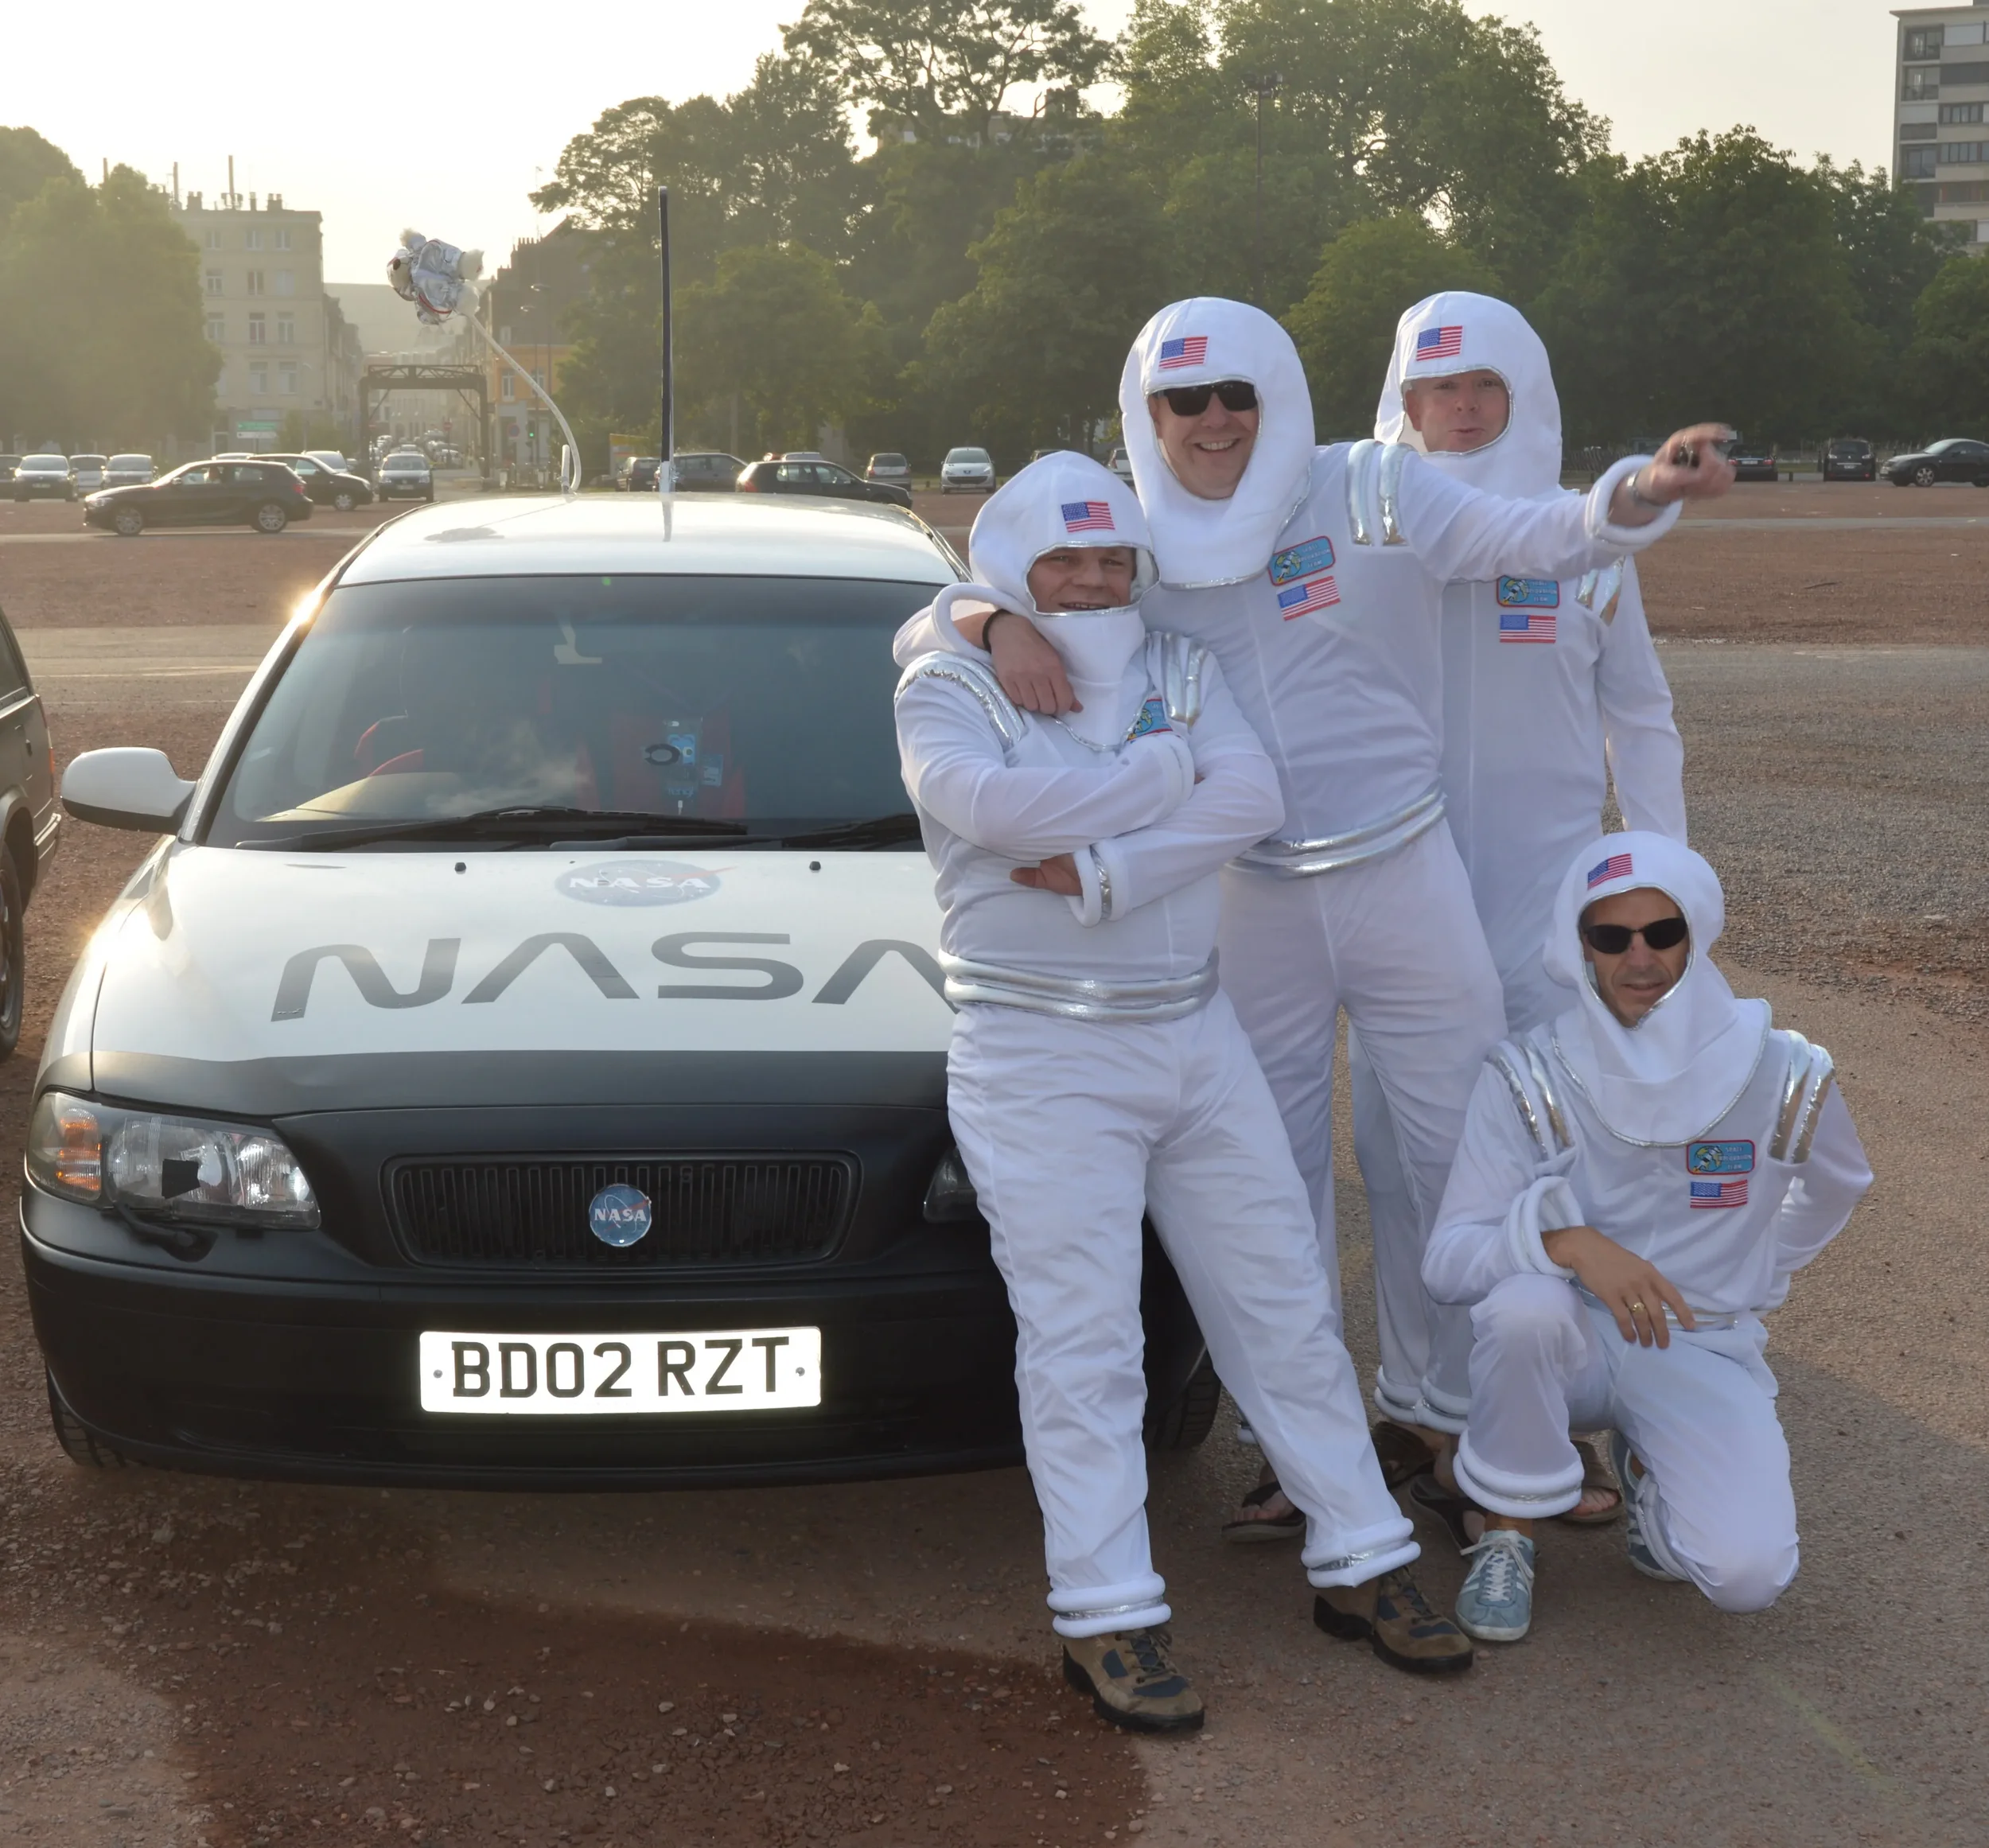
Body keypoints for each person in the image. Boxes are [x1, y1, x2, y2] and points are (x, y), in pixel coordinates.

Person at [897, 299, 1735, 1538]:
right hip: (1251, 897)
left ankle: (1464, 1425)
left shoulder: (1370, 486)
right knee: (1269, 1187)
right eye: (1188, 402)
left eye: (1239, 392)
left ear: (1277, 391)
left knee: (1465, 1151)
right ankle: (1310, 1456)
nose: (1218, 421)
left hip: (1405, 872)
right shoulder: (1138, 538)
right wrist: (991, 617)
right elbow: (954, 604)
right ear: (1149, 414)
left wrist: (1633, 493)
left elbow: (1534, 532)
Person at [894, 453, 1466, 1733]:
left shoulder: (1175, 664)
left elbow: (1252, 797)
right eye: (1066, 564)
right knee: (1086, 1345)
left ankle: (1362, 1560)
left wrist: (1100, 867)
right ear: (1010, 570)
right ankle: (1107, 1613)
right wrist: (1164, 782)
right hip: (1041, 1056)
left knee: (1286, 1307)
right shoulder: (950, 678)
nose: (1096, 584)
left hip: (1193, 1036)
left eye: (1115, 561)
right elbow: (983, 803)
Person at [1350, 292, 1690, 1531]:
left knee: (1559, 1161)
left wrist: (1657, 874)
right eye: (1435, 388)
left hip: (1548, 910)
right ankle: (1418, 1408)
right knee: (1400, 1159)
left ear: (1522, 395)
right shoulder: (1368, 533)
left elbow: (1641, 714)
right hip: (1402, 895)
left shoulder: (1589, 550)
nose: (1459, 410)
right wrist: (983, 610)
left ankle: (1544, 1416)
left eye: (1483, 387)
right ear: (1403, 399)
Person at [1422, 832, 1871, 1640]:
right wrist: (1567, 1247)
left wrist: (1761, 1266)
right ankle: (1507, 1533)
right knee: (1521, 1308)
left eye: (1662, 933)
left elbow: (1838, 1183)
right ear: (1579, 947)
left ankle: (1645, 1473)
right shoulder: (1531, 1073)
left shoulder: (1779, 1068)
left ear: (1694, 936)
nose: (1639, 957)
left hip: (1700, 1343)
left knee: (1745, 1578)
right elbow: (1450, 1259)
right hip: (1570, 1335)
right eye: (1610, 936)